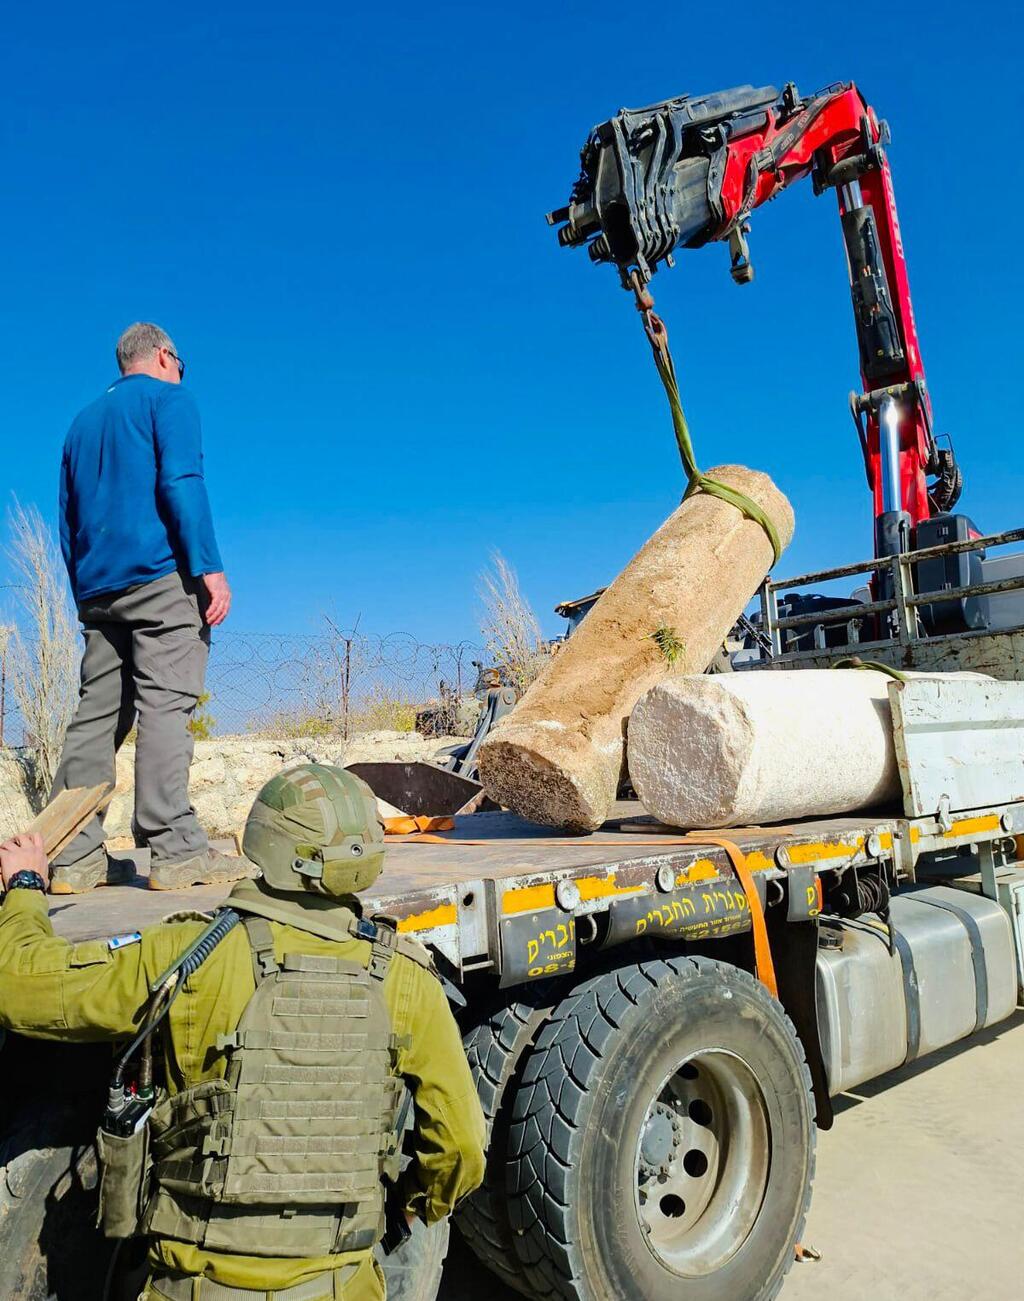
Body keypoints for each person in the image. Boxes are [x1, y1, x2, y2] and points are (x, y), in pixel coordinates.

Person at [0, 763, 486, 1300]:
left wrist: (25, 885)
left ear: (262, 843)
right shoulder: (405, 979)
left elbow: (19, 985)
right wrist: (406, 1210)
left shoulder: (188, 954)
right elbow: (462, 1149)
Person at [52, 321, 239, 893]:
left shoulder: (82, 423)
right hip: (160, 580)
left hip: (98, 589)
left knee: (96, 716)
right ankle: (177, 849)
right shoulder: (170, 400)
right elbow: (182, 480)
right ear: (163, 355)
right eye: (180, 362)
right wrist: (209, 568)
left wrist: (83, 591)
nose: (181, 371)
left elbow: (67, 518)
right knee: (166, 704)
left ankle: (72, 856)